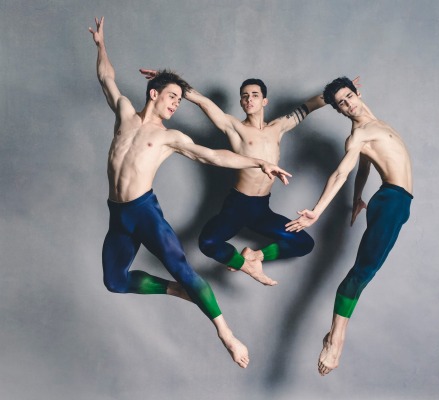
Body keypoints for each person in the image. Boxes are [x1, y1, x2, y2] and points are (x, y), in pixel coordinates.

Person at [89, 17, 291, 368]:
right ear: (154, 93)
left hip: (143, 212)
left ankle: (227, 335)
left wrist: (258, 162)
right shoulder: (125, 114)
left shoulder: (171, 138)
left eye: (180, 100)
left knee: (183, 268)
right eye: (172, 97)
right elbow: (106, 78)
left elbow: (214, 155)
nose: (176, 104)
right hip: (118, 214)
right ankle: (176, 291)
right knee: (114, 282)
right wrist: (101, 46)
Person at [140, 70, 329, 286]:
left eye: (254, 95)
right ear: (241, 102)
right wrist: (171, 79)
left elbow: (309, 106)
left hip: (262, 209)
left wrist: (339, 91)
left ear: (264, 100)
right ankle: (244, 264)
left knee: (304, 243)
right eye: (245, 96)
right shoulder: (235, 127)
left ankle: (255, 256)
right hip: (238, 206)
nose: (249, 99)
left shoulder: (278, 127)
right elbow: (203, 102)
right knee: (208, 242)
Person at [285, 77, 413, 375]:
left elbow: (364, 166)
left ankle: (335, 335)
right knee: (362, 271)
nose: (348, 104)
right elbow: (341, 172)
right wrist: (316, 211)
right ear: (339, 112)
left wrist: (357, 199)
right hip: (392, 199)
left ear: (358, 93)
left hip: (399, 202)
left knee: (367, 269)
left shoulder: (377, 125)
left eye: (349, 97)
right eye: (341, 104)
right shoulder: (357, 135)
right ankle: (335, 341)